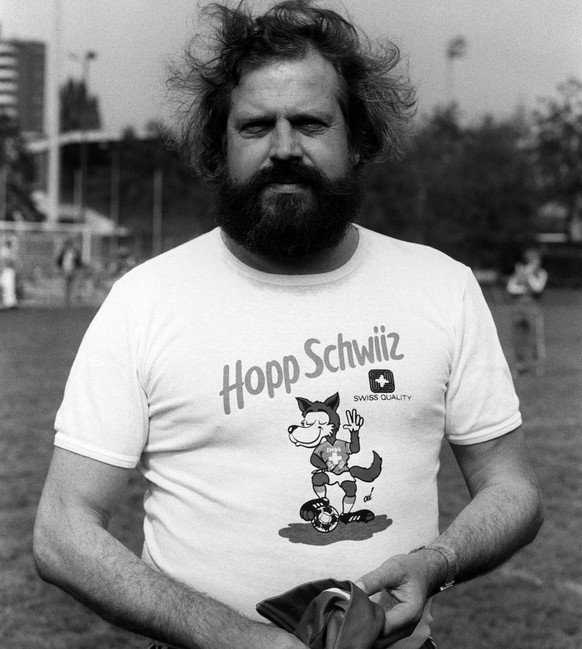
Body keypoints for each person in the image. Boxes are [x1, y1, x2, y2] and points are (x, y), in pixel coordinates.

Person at [33, 3, 543, 649]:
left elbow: (513, 485)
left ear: (356, 140)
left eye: (309, 122)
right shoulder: (144, 300)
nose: (283, 147)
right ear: (219, 147)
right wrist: (240, 639)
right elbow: (60, 527)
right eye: (254, 126)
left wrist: (437, 563)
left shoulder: (442, 286)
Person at [506, 247, 548, 376]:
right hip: (518, 310)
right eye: (533, 260)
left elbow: (538, 288)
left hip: (533, 310)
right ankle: (520, 366)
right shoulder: (518, 273)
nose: (536, 262)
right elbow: (511, 288)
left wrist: (528, 275)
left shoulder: (541, 273)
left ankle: (538, 366)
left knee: (535, 339)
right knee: (518, 339)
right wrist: (523, 287)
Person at [56, 238, 83, 306]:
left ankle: (72, 299)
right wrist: (60, 268)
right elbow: (59, 261)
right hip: (65, 270)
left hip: (73, 270)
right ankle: (66, 299)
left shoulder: (75, 252)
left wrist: (78, 268)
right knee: (66, 285)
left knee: (73, 285)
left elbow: (78, 261)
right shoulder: (63, 252)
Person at [0, 236, 19, 309]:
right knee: (4, 286)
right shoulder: (5, 251)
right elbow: (6, 261)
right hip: (5, 270)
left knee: (10, 287)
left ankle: (10, 302)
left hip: (9, 270)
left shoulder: (10, 251)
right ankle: (6, 302)